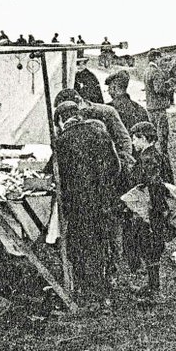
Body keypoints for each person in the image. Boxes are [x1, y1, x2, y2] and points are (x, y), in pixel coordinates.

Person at [52, 102, 121, 295]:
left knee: (81, 243)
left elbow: (55, 173)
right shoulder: (99, 131)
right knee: (103, 241)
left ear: (60, 120)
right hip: (104, 198)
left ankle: (87, 288)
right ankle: (106, 285)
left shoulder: (63, 141)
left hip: (79, 202)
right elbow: (115, 166)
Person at [126, 122, 176, 304]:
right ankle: (152, 285)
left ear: (143, 138)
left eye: (135, 138)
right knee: (151, 249)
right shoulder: (157, 155)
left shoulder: (148, 158)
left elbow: (153, 184)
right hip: (156, 209)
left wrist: (146, 204)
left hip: (149, 211)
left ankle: (155, 291)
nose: (133, 142)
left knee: (150, 248)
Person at [144, 49, 176, 157]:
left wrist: (165, 84)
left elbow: (153, 87)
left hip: (150, 106)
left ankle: (151, 152)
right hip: (159, 107)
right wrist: (170, 89)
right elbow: (159, 90)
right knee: (163, 132)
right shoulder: (156, 71)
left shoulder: (147, 70)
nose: (161, 60)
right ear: (156, 58)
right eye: (160, 58)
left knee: (152, 132)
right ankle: (163, 154)